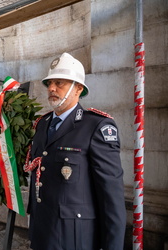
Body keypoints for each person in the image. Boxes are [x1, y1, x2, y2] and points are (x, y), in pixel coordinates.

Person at [25, 52, 126, 249]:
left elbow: (111, 197)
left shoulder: (96, 127)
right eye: (50, 83)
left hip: (73, 238)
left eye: (60, 83)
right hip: (42, 233)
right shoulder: (42, 124)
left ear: (78, 88)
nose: (52, 88)